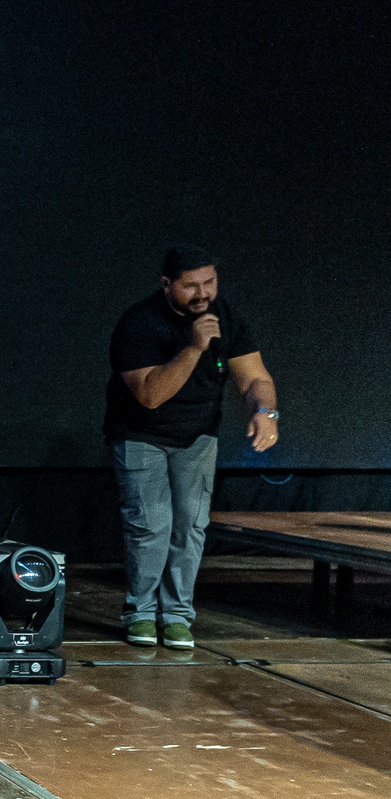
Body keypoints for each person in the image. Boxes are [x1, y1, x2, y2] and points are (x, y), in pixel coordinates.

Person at [103, 244, 279, 649]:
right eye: (191, 286)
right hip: (140, 434)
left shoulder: (225, 317)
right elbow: (150, 395)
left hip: (198, 435)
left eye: (209, 282)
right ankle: (141, 613)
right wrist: (194, 347)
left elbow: (255, 377)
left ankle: (177, 616)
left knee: (190, 525)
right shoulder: (139, 323)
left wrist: (265, 411)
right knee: (150, 526)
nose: (203, 294)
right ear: (167, 284)